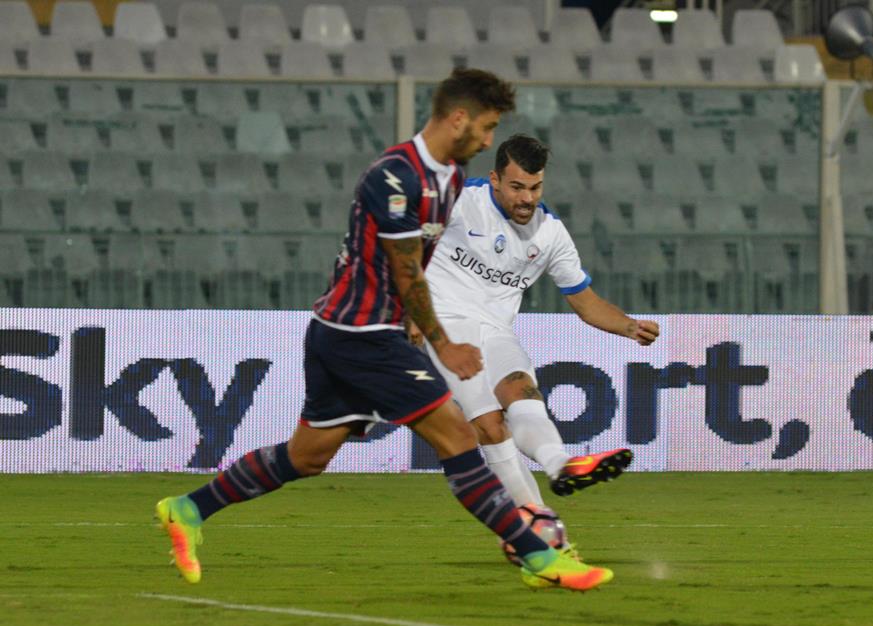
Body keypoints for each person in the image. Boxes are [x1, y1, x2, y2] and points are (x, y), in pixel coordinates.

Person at [155, 69, 613, 592]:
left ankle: (188, 509)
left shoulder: (448, 179)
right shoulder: (396, 176)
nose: (488, 140)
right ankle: (540, 555)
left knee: (306, 457)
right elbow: (407, 270)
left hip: (349, 332)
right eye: (486, 128)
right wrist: (443, 341)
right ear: (458, 119)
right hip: (362, 334)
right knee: (460, 436)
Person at [412, 133, 659, 511]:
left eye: (535, 187)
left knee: (522, 392)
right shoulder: (461, 201)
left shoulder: (550, 233)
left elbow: (585, 301)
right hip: (445, 326)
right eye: (516, 187)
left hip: (495, 330)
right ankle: (536, 519)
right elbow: (406, 247)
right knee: (490, 424)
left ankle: (561, 466)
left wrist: (628, 326)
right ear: (494, 179)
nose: (527, 198)